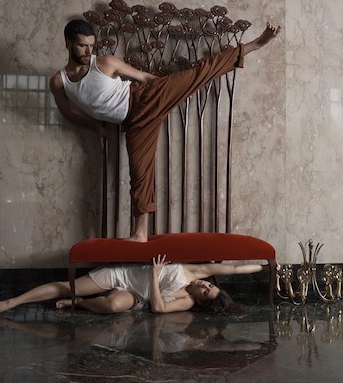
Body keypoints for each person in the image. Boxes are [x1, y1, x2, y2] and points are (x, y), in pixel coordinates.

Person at [50, 18, 281, 242]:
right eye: (82, 46)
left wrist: (169, 88)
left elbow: (143, 77)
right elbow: (68, 112)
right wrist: (96, 126)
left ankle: (256, 43)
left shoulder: (104, 62)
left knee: (199, 72)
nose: (88, 51)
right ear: (67, 44)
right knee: (140, 175)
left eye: (91, 45)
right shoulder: (59, 82)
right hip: (134, 124)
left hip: (146, 98)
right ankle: (140, 234)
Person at [0, 255, 263, 317]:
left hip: (136, 296)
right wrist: (265, 265)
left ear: (201, 300)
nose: (204, 284)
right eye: (209, 285)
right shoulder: (195, 271)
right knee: (67, 287)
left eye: (206, 291)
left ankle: (80, 304)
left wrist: (155, 274)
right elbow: (234, 269)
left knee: (114, 305)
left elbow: (158, 308)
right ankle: (11, 302)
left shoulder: (187, 301)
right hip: (123, 275)